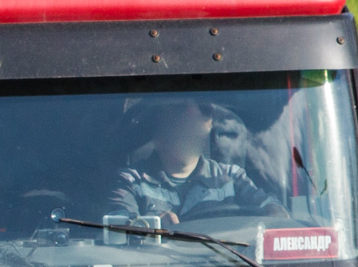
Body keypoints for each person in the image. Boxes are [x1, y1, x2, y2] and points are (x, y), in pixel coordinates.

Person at [106, 96, 283, 226]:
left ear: (207, 127)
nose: (181, 129)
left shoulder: (231, 177)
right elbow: (118, 226)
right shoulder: (130, 180)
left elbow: (273, 210)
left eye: (187, 123)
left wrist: (274, 213)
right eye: (172, 122)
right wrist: (148, 226)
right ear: (156, 132)